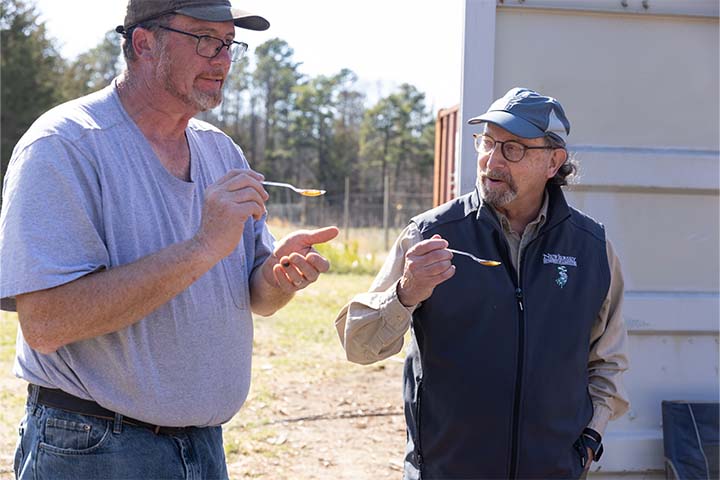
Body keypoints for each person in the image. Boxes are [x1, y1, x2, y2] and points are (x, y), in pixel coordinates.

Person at [0, 1, 339, 478]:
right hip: (95, 448)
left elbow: (255, 295)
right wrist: (201, 247)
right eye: (204, 40)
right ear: (144, 43)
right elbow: (46, 323)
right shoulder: (65, 145)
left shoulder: (221, 151)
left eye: (229, 44)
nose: (221, 59)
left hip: (203, 447)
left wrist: (278, 277)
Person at [335, 87, 630, 479]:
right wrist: (405, 293)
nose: (492, 160)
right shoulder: (430, 234)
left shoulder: (592, 248)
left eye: (513, 149)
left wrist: (590, 439)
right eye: (487, 142)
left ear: (553, 162)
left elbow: (608, 361)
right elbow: (358, 344)